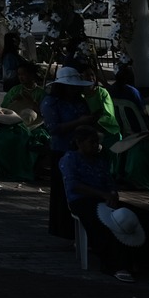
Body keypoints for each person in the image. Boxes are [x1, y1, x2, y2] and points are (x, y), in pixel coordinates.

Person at [62, 127, 149, 281]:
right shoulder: (70, 158)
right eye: (91, 143)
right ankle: (116, 265)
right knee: (106, 224)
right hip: (82, 200)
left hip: (105, 198)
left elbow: (109, 182)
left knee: (145, 217)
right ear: (79, 143)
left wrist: (113, 194)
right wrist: (103, 194)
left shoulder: (100, 160)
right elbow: (74, 185)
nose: (95, 146)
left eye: (96, 143)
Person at [42, 68, 100, 238]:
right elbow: (53, 128)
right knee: (63, 191)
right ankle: (63, 228)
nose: (74, 90)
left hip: (82, 150)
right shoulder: (51, 102)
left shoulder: (79, 101)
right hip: (61, 150)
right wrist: (77, 122)